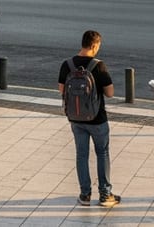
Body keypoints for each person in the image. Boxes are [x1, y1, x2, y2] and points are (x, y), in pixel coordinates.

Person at [57, 30, 120, 208]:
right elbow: (110, 93)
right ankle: (105, 194)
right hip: (97, 118)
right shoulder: (98, 66)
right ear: (94, 45)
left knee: (81, 155)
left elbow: (62, 90)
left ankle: (85, 195)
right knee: (102, 153)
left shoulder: (67, 65)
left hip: (76, 119)